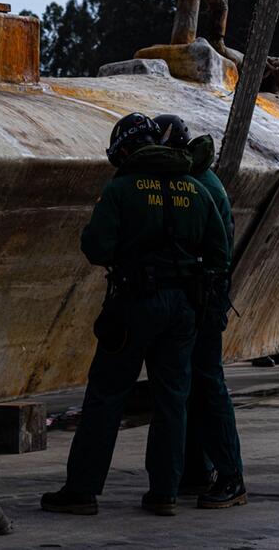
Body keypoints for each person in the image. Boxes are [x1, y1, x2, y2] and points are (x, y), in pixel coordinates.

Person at [41, 112, 229, 516]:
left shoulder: (121, 189)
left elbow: (97, 248)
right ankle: (165, 493)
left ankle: (82, 490)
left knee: (107, 395)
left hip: (134, 305)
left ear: (126, 150)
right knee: (172, 400)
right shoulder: (196, 188)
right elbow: (219, 252)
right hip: (183, 311)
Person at [154, 114, 247, 509]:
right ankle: (198, 469)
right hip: (204, 295)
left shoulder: (197, 186)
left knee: (208, 385)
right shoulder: (202, 180)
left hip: (203, 298)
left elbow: (214, 252)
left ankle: (231, 477)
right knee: (194, 384)